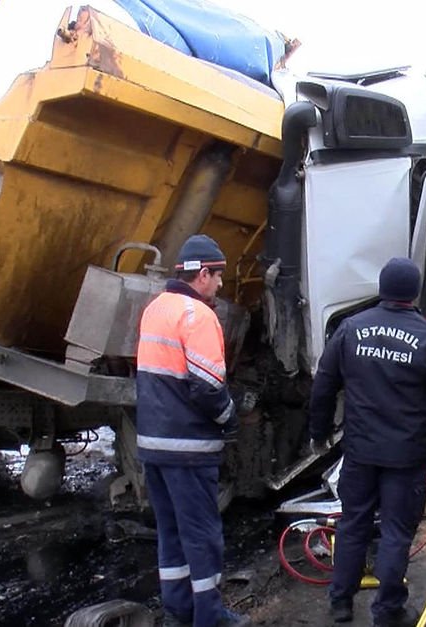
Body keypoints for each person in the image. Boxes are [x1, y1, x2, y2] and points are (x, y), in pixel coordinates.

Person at [309, 257, 426, 627]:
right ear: (414, 292)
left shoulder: (351, 329)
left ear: (381, 289)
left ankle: (341, 602)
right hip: (407, 454)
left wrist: (318, 434)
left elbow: (323, 385)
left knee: (353, 523)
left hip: (361, 451)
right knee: (397, 532)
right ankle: (388, 611)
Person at [135, 234, 248, 627]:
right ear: (203, 274)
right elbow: (208, 388)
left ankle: (178, 610)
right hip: (189, 449)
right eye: (218, 277)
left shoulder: (155, 308)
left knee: (171, 535)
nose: (219, 285)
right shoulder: (198, 316)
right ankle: (210, 617)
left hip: (153, 446)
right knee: (202, 537)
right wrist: (231, 419)